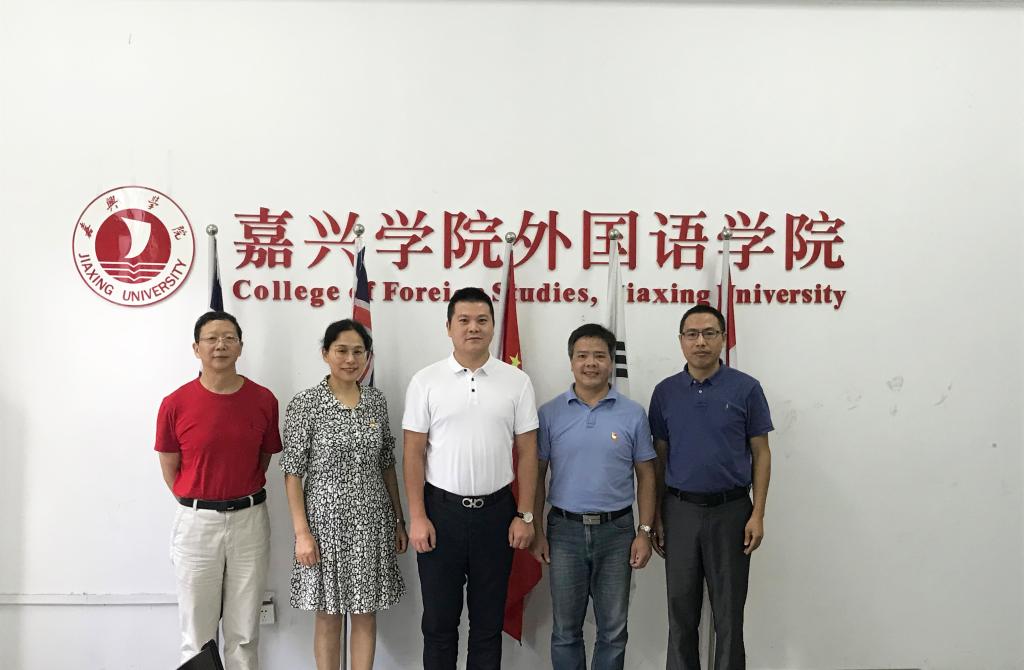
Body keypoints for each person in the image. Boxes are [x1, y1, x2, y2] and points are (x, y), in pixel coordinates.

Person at [402, 286, 539, 670]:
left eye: (481, 320)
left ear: (493, 326)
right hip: (440, 514)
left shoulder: (516, 381)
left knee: (487, 626)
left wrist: (525, 514)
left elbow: (528, 452)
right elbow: (413, 453)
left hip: (497, 515)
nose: (473, 328)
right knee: (438, 625)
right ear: (448, 327)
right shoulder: (426, 381)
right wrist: (417, 516)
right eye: (463, 320)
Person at [648, 304, 773, 670]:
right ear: (681, 341)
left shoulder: (746, 388)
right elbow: (659, 457)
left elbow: (761, 453)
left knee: (729, 613)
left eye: (709, 333)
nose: (700, 342)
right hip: (680, 511)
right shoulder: (665, 392)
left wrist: (758, 513)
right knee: (680, 611)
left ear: (723, 338)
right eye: (692, 334)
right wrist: (656, 516)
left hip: (732, 512)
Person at [155, 311, 282, 670]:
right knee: (196, 635)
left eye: (229, 338)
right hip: (196, 524)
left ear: (241, 347)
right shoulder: (175, 403)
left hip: (249, 521)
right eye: (211, 338)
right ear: (196, 348)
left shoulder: (263, 400)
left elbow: (262, 459)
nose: (220, 345)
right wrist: (202, 499)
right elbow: (170, 467)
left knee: (244, 634)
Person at [281, 318, 407, 670]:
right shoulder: (306, 404)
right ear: (325, 354)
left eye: (358, 352)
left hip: (371, 523)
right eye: (341, 351)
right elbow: (292, 473)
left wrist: (398, 520)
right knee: (328, 613)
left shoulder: (376, 402)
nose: (350, 359)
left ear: (367, 357)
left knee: (365, 611)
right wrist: (302, 533)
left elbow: (386, 464)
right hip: (324, 526)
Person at [530, 323, 657, 670]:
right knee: (565, 631)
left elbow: (647, 475)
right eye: (582, 356)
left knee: (613, 632)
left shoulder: (632, 413)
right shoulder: (550, 413)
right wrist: (537, 529)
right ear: (571, 361)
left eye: (599, 356)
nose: (591, 363)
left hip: (617, 532)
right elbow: (537, 475)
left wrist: (644, 532)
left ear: (611, 362)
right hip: (564, 532)